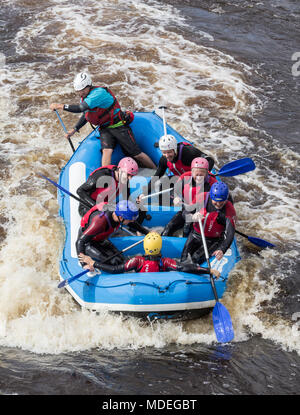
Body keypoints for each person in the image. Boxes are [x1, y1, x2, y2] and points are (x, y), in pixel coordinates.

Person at [50, 72, 156, 168]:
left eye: (82, 90)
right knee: (106, 151)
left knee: (136, 154)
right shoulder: (85, 96)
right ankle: (107, 177)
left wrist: (60, 106)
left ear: (89, 86)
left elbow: (80, 108)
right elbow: (87, 114)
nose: (80, 93)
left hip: (118, 126)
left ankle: (156, 170)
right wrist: (74, 129)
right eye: (78, 91)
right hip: (105, 128)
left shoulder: (98, 94)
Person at [78, 231, 220, 278]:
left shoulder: (136, 261)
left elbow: (115, 270)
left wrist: (93, 263)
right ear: (159, 248)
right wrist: (208, 270)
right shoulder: (165, 262)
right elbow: (185, 267)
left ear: (145, 247)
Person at [136, 134, 214, 205]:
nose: (167, 156)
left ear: (175, 149)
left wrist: (204, 174)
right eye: (164, 152)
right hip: (181, 178)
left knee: (193, 191)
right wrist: (144, 193)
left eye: (169, 152)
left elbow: (210, 160)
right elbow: (156, 177)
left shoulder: (188, 153)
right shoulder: (164, 160)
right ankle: (165, 207)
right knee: (162, 184)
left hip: (196, 178)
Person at [181, 181, 236, 265]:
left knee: (195, 259)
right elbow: (185, 213)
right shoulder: (201, 197)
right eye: (216, 201)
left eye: (222, 201)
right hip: (195, 234)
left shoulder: (229, 209)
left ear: (226, 199)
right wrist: (192, 217)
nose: (218, 204)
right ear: (211, 196)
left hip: (213, 240)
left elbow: (230, 233)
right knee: (184, 258)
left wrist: (222, 249)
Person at [161, 157, 218, 237]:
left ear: (207, 173)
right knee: (168, 228)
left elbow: (217, 204)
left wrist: (204, 214)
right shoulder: (185, 177)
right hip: (186, 209)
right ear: (191, 172)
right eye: (196, 174)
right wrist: (175, 197)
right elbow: (174, 191)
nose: (198, 177)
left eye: (201, 175)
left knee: (189, 229)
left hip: (202, 214)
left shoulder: (213, 184)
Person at [76, 199, 142, 266]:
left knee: (122, 259)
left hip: (100, 239)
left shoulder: (118, 212)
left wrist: (147, 232)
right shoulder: (99, 222)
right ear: (121, 218)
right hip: (87, 243)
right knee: (114, 263)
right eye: (130, 220)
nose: (132, 221)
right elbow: (80, 241)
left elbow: (133, 224)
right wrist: (84, 264)